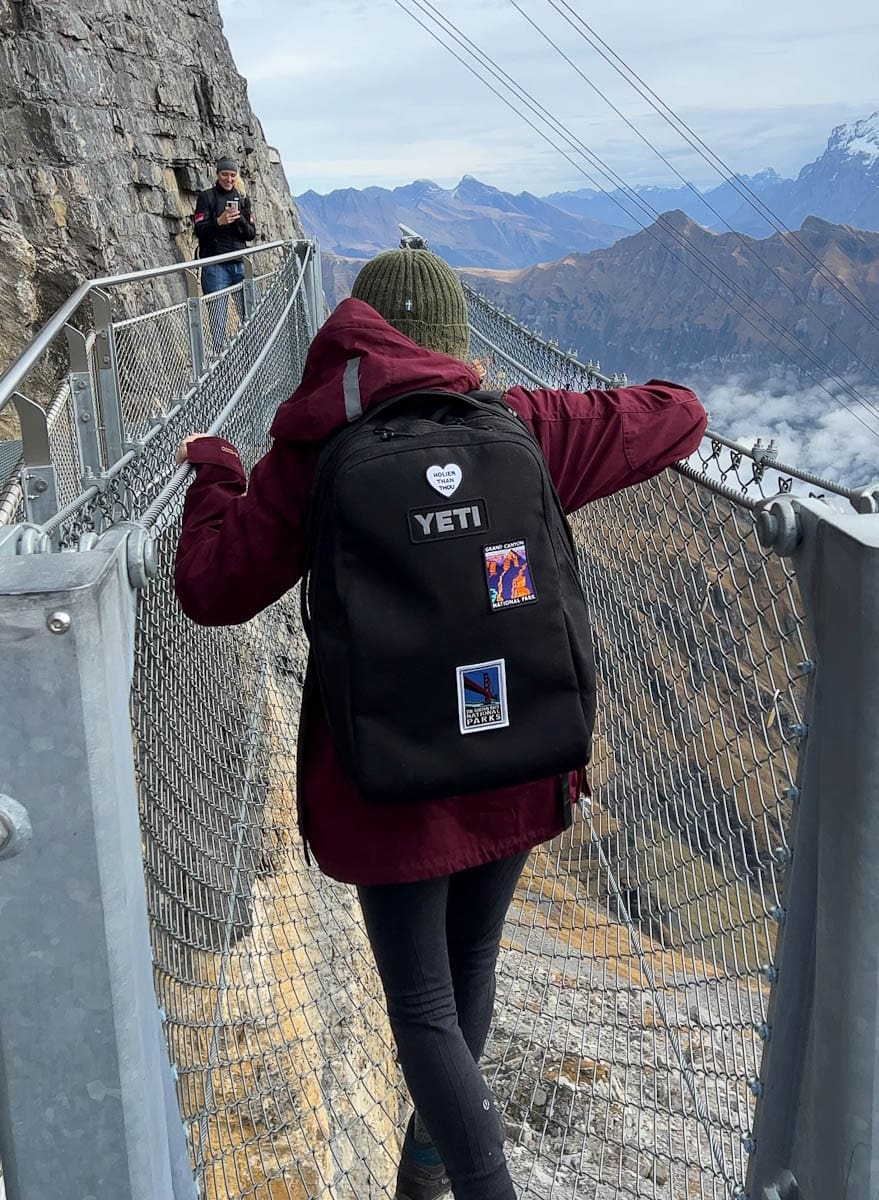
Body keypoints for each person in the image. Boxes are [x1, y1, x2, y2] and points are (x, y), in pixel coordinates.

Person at [173, 247, 708, 1200]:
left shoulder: (309, 452)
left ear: (350, 338)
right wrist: (513, 403)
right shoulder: (523, 425)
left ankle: (468, 1182)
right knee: (472, 961)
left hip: (388, 778)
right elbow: (678, 413)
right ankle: (431, 1169)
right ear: (455, 346)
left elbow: (213, 590)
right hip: (517, 752)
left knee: (419, 1001)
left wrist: (216, 476)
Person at [193, 156, 256, 350]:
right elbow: (199, 231)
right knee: (218, 323)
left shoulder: (243, 199)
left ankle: (250, 355)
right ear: (217, 174)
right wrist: (218, 222)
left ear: (237, 177)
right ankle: (222, 366)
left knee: (252, 315)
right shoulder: (207, 197)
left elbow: (251, 235)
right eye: (224, 174)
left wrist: (240, 221)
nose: (229, 179)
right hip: (215, 266)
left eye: (232, 175)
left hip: (239, 264)